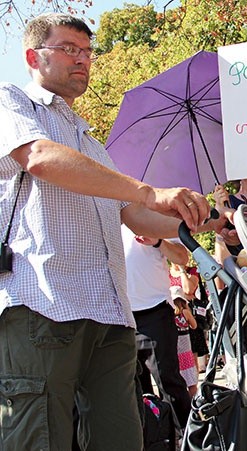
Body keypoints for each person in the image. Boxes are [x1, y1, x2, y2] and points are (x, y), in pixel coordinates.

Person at [0, 13, 216, 451]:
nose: (82, 60)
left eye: (87, 51)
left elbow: (132, 214)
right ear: (32, 57)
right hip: (43, 302)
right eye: (68, 49)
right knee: (38, 439)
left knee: (122, 439)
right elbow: (39, 156)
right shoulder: (11, 102)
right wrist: (148, 191)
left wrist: (196, 220)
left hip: (111, 315)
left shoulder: (92, 144)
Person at [122, 226, 194, 428]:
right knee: (133, 388)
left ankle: (187, 437)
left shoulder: (149, 216)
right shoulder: (105, 214)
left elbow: (182, 257)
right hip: (120, 315)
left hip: (154, 311)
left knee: (167, 380)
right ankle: (153, 438)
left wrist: (159, 241)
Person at [171, 288, 199, 397]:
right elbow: (194, 325)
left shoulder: (170, 313)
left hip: (175, 348)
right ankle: (193, 401)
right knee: (191, 382)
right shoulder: (185, 312)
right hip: (186, 348)